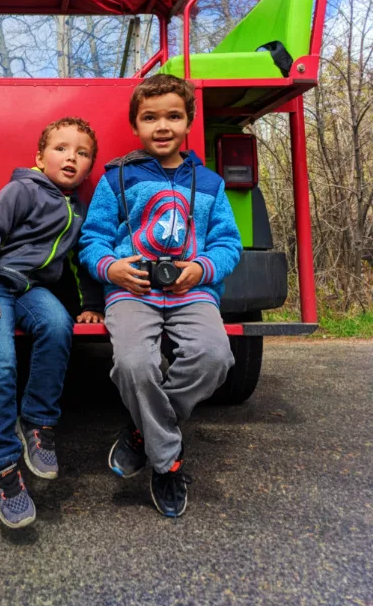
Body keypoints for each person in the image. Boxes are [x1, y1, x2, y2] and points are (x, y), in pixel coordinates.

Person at [79, 75, 242, 518]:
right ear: (135, 126)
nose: (163, 125)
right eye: (150, 117)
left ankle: (143, 432)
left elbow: (228, 244)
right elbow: (92, 238)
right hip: (132, 291)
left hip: (192, 292)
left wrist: (200, 269)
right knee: (134, 363)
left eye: (173, 115)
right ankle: (167, 461)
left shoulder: (208, 183)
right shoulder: (116, 178)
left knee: (214, 357)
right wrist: (111, 267)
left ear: (189, 121)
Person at [0, 116, 104, 529]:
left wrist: (90, 303)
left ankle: (39, 423)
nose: (72, 158)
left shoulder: (78, 208)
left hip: (31, 291)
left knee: (59, 327)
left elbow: (77, 262)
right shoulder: (23, 189)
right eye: (61, 149)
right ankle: (3, 466)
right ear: (39, 157)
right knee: (1, 362)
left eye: (83, 153)